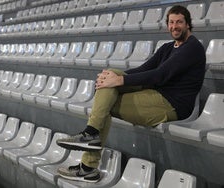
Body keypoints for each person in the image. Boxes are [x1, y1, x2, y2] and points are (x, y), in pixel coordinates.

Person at [56, 5, 206, 183]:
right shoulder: (167, 48)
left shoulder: (193, 47)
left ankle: (89, 161)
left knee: (106, 103)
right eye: (171, 22)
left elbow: (160, 75)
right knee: (110, 76)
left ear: (188, 24)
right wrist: (112, 77)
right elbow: (143, 69)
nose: (175, 26)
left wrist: (119, 81)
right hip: (154, 93)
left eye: (179, 22)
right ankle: (91, 138)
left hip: (172, 104)